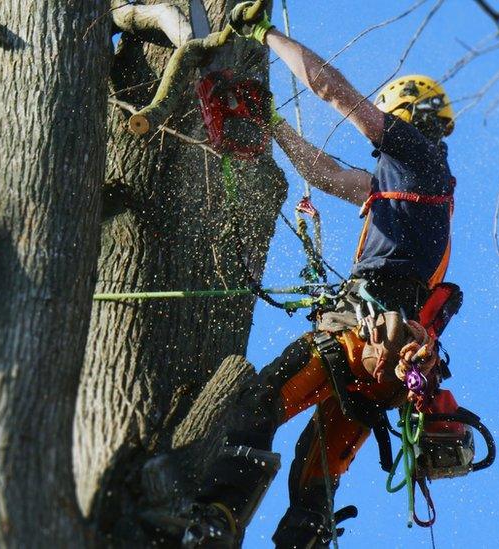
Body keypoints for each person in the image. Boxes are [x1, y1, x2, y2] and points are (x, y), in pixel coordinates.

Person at [178, 2, 459, 547]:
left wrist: (264, 35)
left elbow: (334, 92)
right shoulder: (415, 188)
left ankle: (214, 517)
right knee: (315, 481)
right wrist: (274, 122)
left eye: (390, 120)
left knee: (257, 407)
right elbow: (322, 174)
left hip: (362, 332)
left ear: (406, 116)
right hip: (385, 371)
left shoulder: (416, 152)